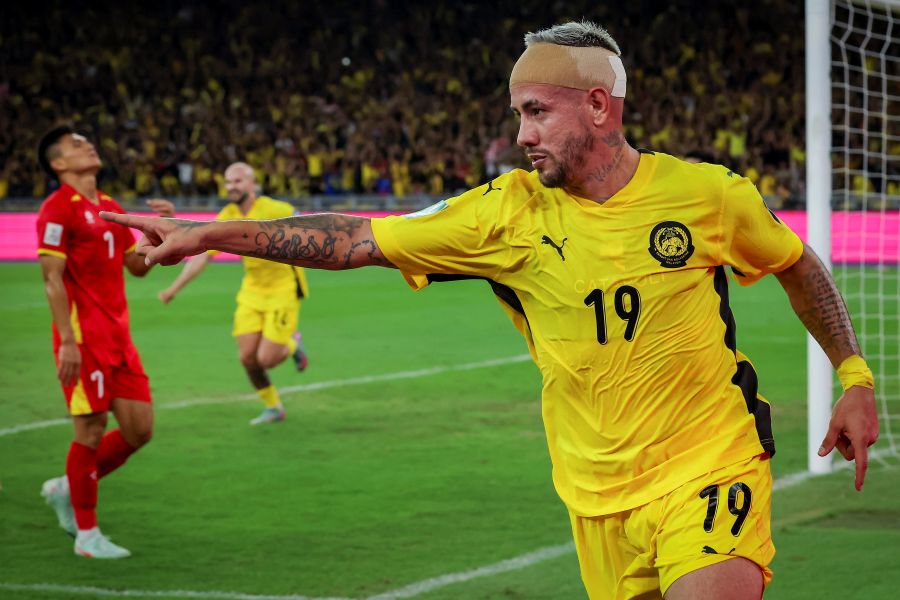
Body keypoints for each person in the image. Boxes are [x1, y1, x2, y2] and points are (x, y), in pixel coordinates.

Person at [102, 21, 879, 599]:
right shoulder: (504, 214)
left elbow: (796, 263)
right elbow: (357, 239)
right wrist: (210, 233)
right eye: (517, 114)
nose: (521, 135)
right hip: (593, 492)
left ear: (599, 106)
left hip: (711, 465)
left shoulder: (707, 195)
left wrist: (853, 376)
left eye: (536, 112)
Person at [36, 125, 175, 559]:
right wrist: (67, 341)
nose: (89, 145)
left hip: (119, 339)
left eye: (87, 141)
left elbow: (138, 266)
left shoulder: (109, 207)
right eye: (76, 145)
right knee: (91, 429)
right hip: (83, 340)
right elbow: (52, 279)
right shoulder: (57, 210)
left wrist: (159, 234)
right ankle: (87, 534)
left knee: (139, 430)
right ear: (59, 163)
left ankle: (67, 487)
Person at [156, 162, 309, 425]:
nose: (231, 187)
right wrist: (174, 288)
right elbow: (202, 255)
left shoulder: (274, 209)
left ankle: (293, 344)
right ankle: (273, 406)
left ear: (252, 183)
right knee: (248, 358)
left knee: (266, 359)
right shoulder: (227, 215)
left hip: (282, 289)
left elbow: (309, 226)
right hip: (252, 291)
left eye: (237, 181)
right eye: (228, 182)